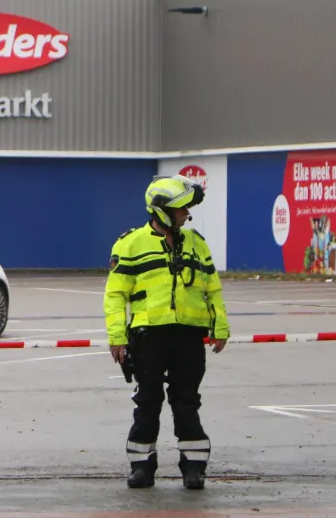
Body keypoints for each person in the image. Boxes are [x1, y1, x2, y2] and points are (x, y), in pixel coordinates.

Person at [104, 174, 230, 490]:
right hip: (148, 339)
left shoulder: (197, 243)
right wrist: (117, 336)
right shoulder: (130, 244)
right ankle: (142, 468)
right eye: (180, 210)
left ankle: (194, 468)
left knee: (186, 401)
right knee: (148, 402)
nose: (186, 215)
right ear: (162, 210)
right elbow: (115, 294)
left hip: (188, 338)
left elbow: (212, 288)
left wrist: (220, 327)